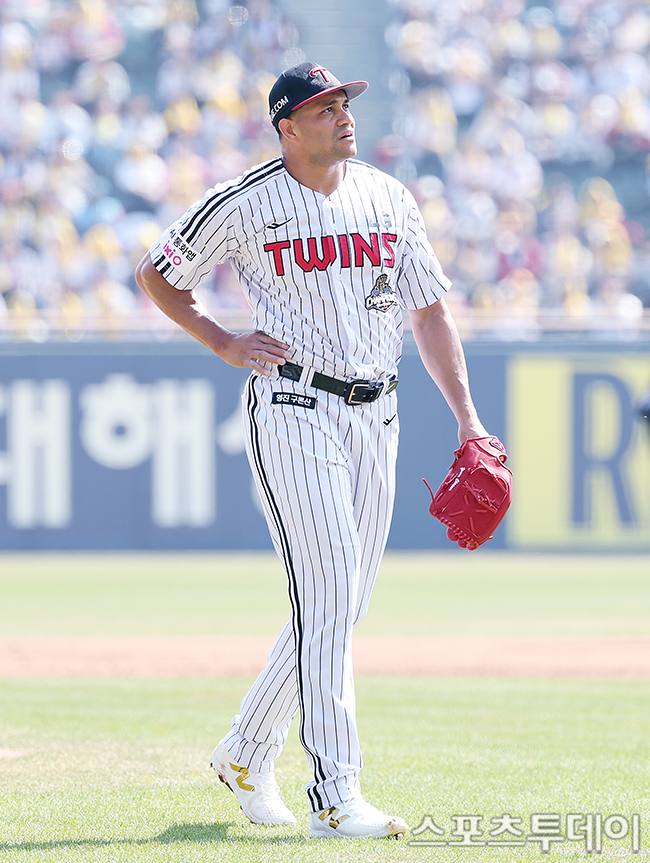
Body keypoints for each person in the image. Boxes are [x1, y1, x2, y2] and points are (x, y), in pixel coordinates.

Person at [135, 61, 490, 839]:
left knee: (342, 602)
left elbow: (429, 312)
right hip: (294, 401)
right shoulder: (243, 202)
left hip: (378, 410)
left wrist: (467, 417)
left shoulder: (388, 197)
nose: (343, 115)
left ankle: (245, 749)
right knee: (328, 590)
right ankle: (336, 794)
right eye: (324, 108)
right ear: (287, 126)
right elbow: (158, 273)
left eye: (344, 103)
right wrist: (221, 339)